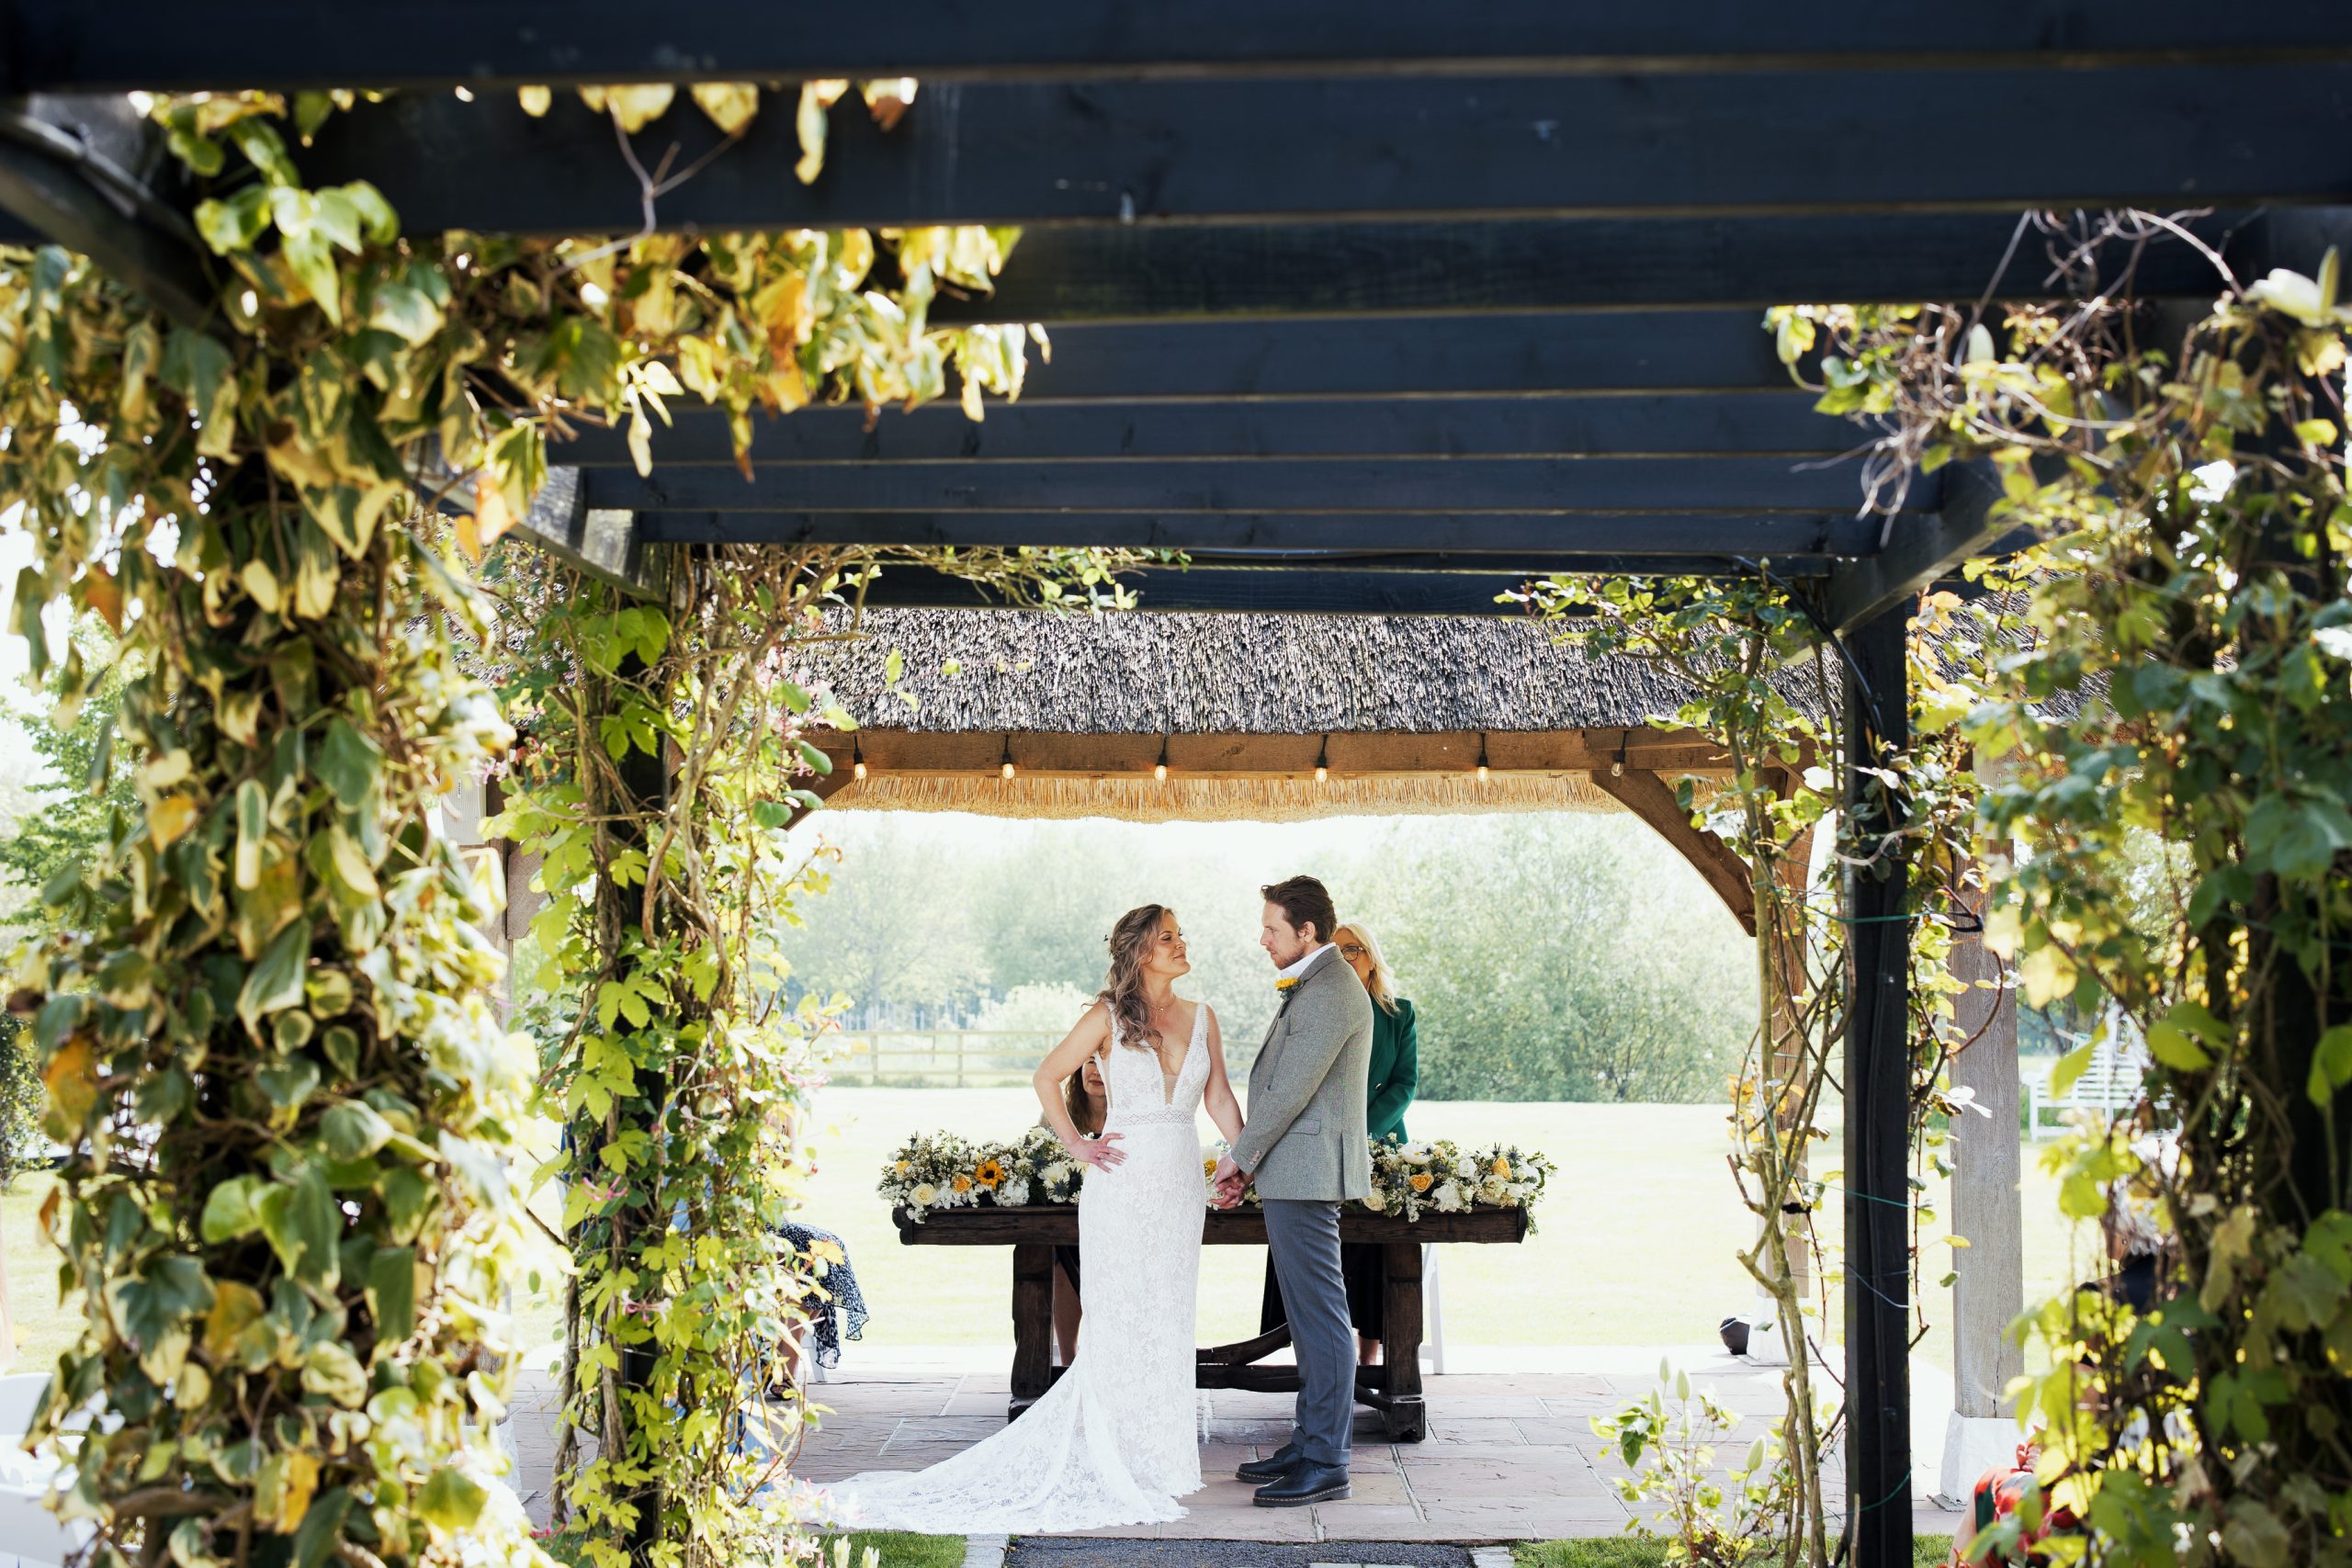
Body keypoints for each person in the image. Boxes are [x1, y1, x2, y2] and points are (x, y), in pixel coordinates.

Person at [837, 905, 1246, 1532]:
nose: (1181, 942)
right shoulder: (1105, 1016)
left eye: (1180, 934)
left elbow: (1216, 1094)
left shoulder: (1204, 1016)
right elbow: (1047, 1076)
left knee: (1167, 1312)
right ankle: (1112, 1451)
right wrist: (1079, 1145)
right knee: (1116, 1316)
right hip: (1120, 1182)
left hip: (1178, 1187)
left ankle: (1162, 1458)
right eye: (1169, 937)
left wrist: (1240, 1159)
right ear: (1140, 951)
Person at [1213, 875, 1375, 1508]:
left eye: (1272, 928)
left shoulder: (1331, 988)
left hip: (1308, 1174)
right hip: (1296, 1171)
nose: (1262, 938)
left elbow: (1291, 1090)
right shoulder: (1317, 983)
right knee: (1310, 1318)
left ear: (1307, 931)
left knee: (1323, 1318)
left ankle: (1328, 1459)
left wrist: (1240, 1156)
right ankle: (1310, 1440)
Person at [1260, 921, 1417, 1365]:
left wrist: (1359, 1133)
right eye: (1338, 950)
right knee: (1307, 1244)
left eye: (1355, 949)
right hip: (1314, 1144)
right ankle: (1313, 1352)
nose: (1346, 957)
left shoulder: (1399, 1014)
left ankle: (1371, 1357)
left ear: (1371, 958)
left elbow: (1404, 1084)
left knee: (1374, 1247)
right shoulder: (1310, 1002)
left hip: (1378, 1139)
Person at [1051, 1053, 1109, 1366]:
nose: (1095, 1071)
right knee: (1061, 1256)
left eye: (1103, 1062)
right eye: (1089, 1061)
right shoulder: (1059, 1115)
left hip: (1115, 1216)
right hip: (1069, 1218)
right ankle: (1069, 1360)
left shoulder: (1131, 1115)